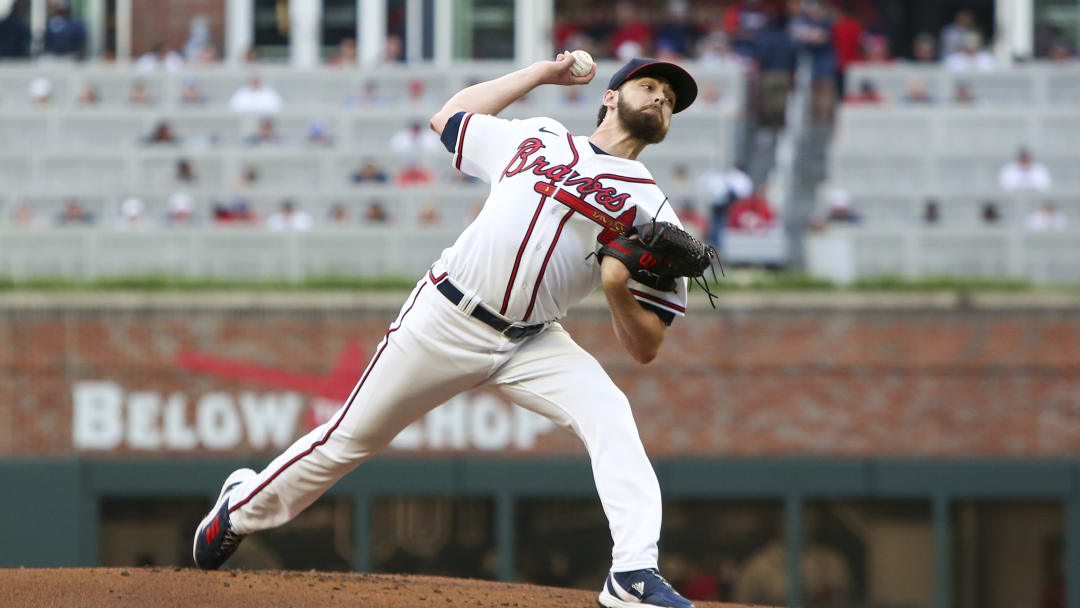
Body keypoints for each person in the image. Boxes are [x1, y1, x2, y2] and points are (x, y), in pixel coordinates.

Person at [193, 53, 702, 608]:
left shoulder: (653, 212)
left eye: (670, 99)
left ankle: (631, 573)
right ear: (610, 96)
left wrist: (614, 290)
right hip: (446, 316)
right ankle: (240, 507)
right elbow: (449, 118)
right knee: (348, 440)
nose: (659, 98)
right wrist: (539, 74)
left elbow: (646, 346)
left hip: (534, 340)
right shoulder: (540, 138)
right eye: (649, 85)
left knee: (611, 415)